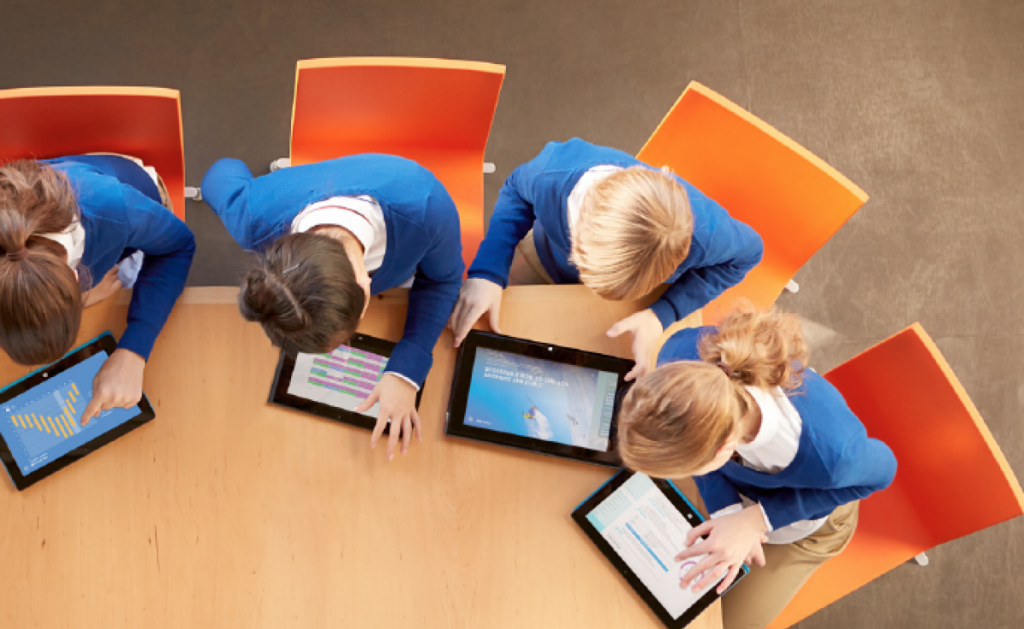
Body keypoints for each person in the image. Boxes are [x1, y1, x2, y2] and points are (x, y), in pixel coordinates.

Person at [615, 305, 897, 629]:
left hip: (807, 519)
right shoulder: (679, 356)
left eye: (686, 466)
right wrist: (726, 511)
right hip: (740, 490)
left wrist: (756, 519)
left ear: (724, 449)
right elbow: (707, 462)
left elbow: (883, 472)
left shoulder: (832, 458)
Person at [201, 154, 463, 459]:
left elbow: (443, 281)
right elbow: (218, 174)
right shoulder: (252, 217)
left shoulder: (427, 210)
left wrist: (408, 369)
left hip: (400, 178)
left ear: (365, 286)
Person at [449, 138, 763, 380]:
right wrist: (487, 273)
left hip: (634, 306)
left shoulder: (708, 233)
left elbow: (748, 253)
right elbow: (516, 190)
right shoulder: (552, 175)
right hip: (543, 260)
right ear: (576, 240)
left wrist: (661, 313)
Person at [0, 156, 196, 423]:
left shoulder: (114, 210)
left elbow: (179, 245)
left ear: (76, 278)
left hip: (138, 205)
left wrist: (134, 351)